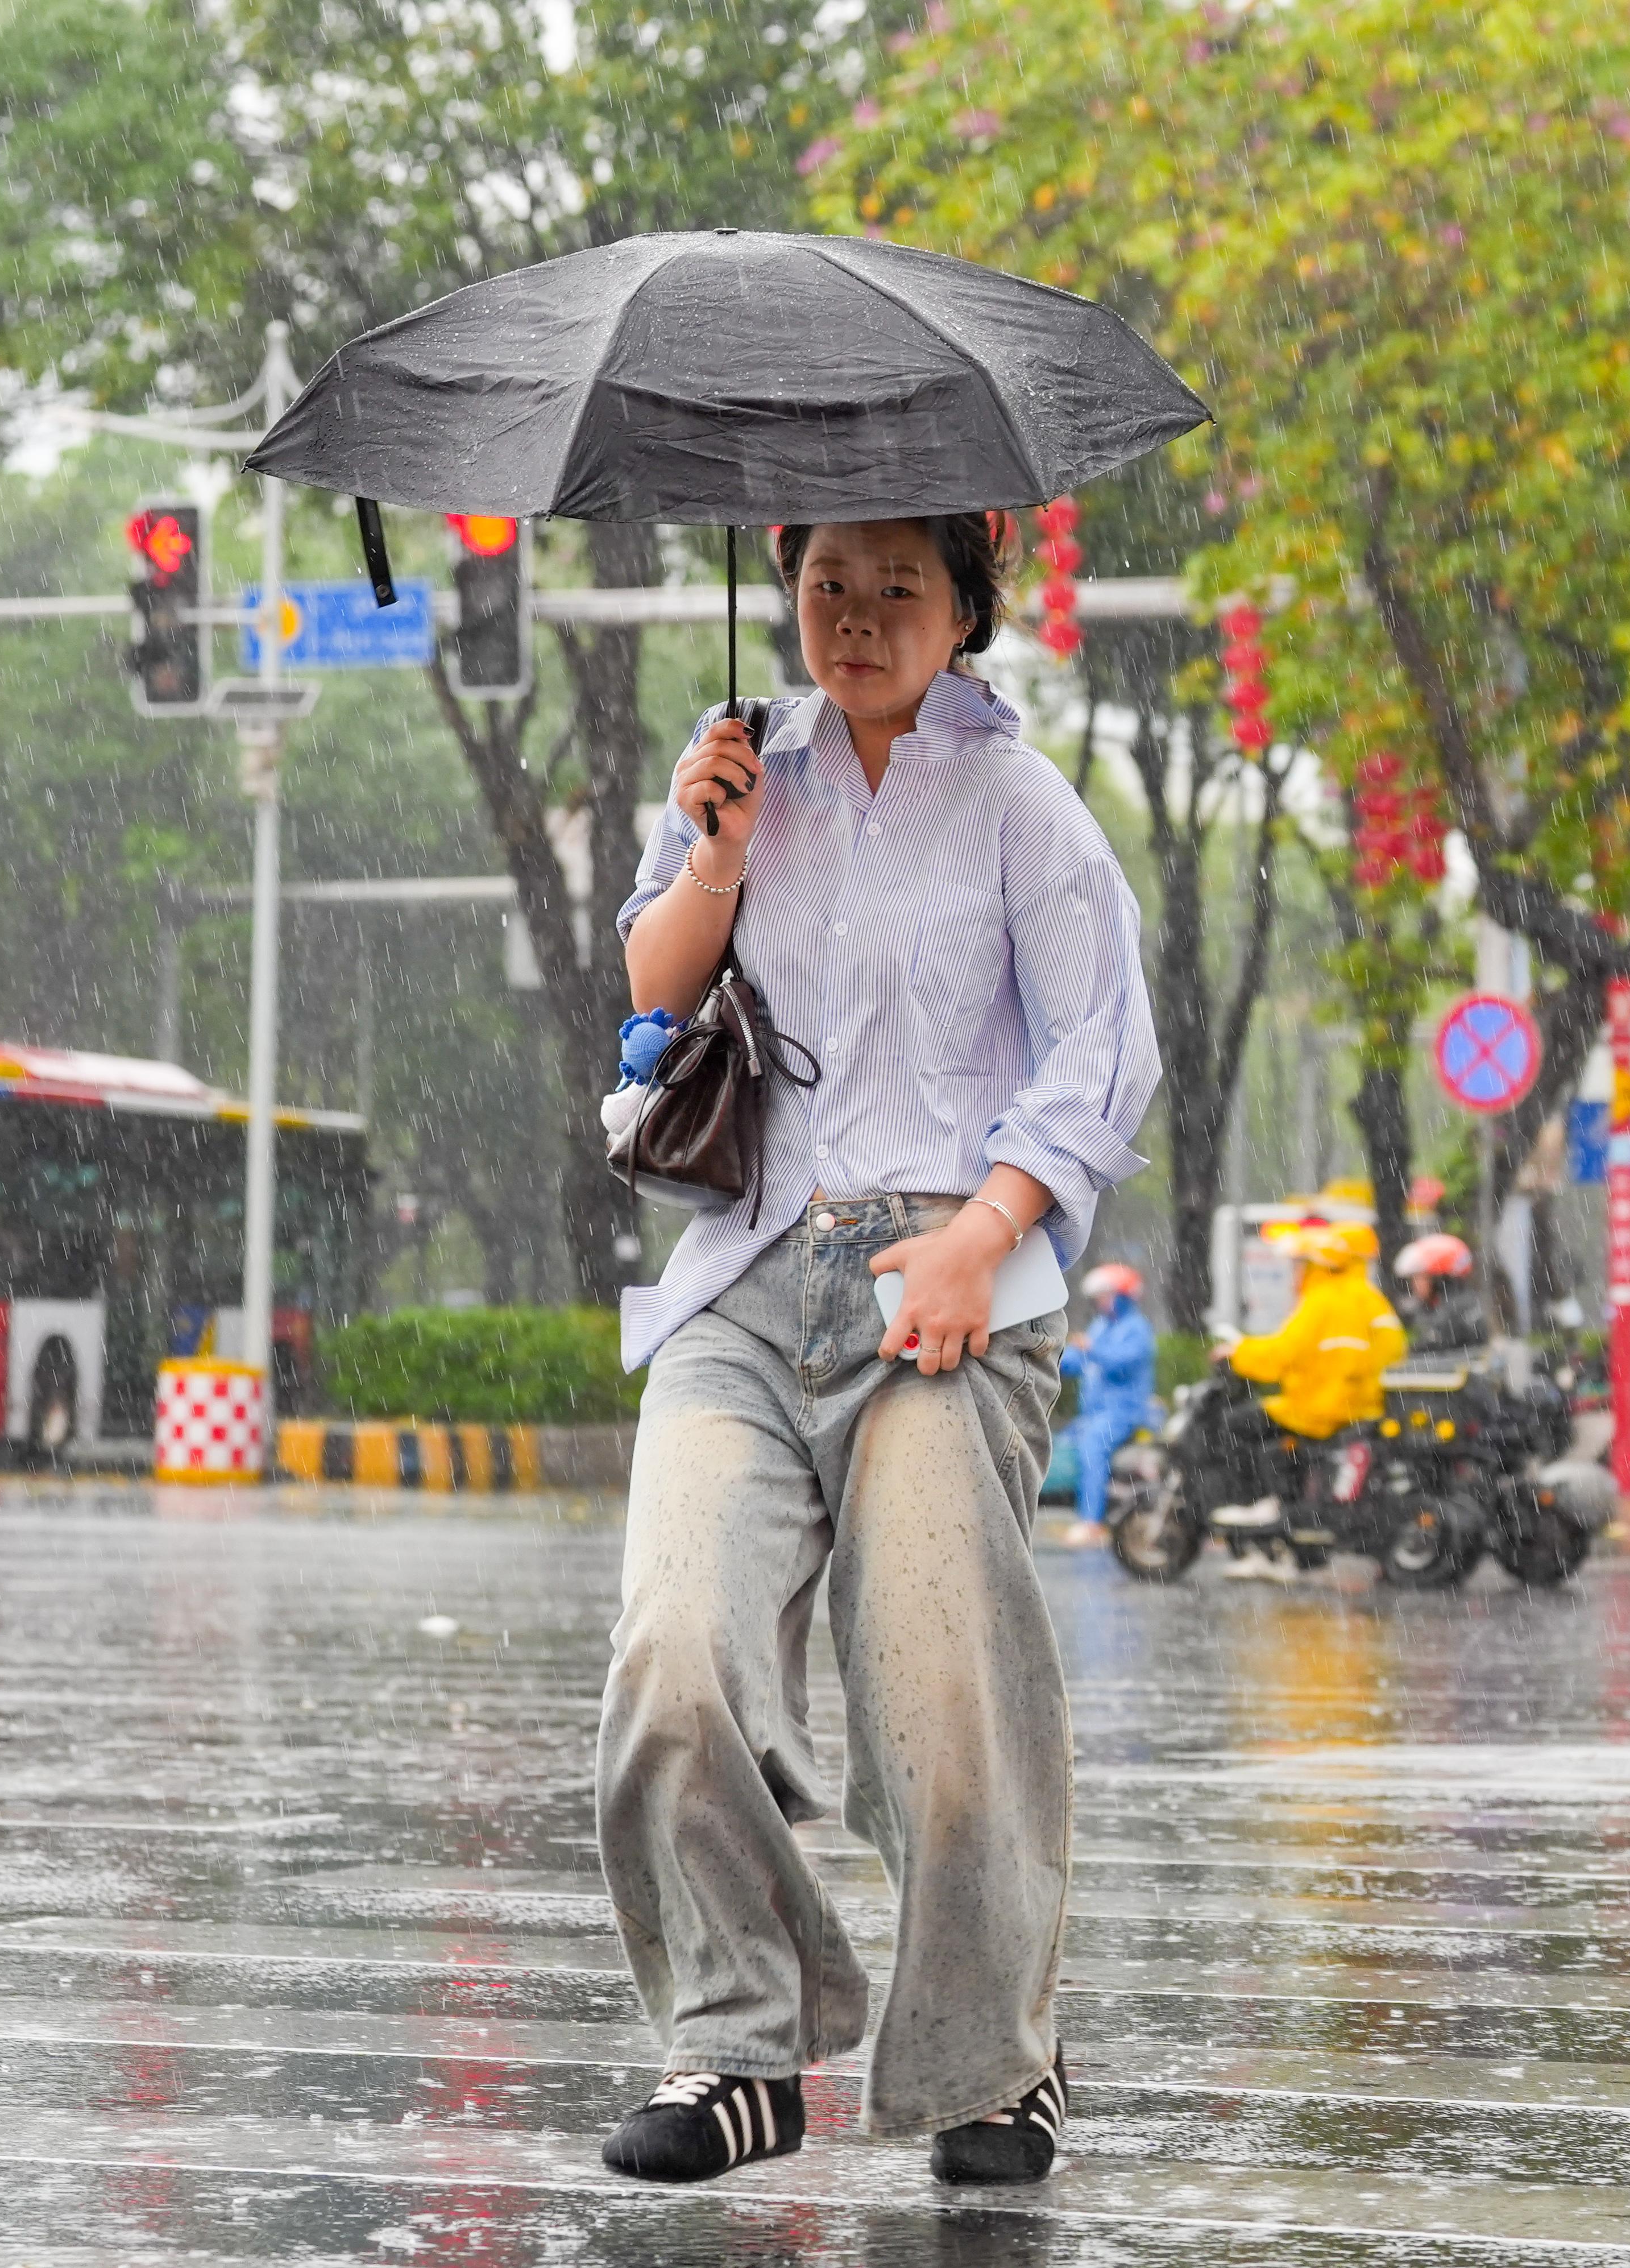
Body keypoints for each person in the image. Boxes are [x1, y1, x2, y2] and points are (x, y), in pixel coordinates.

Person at [594, 515, 1159, 2188]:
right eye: (826, 582)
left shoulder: (1018, 804)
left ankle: (991, 2064)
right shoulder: (741, 760)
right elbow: (649, 992)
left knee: (935, 1680)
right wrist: (710, 851)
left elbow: (1100, 1055)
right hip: (748, 1277)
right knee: (675, 1649)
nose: (853, 616)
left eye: (895, 587)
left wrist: (987, 1236)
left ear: (961, 611)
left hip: (942, 1280)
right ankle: (732, 2049)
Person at [1221, 1222, 1408, 1440]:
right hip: (1366, 1411)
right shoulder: (1374, 1300)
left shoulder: (1321, 1301)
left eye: (1300, 1265)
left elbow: (1283, 1354)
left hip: (1319, 1412)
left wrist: (1237, 1354)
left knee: (1231, 1427)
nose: (1295, 1273)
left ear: (1316, 1266)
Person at [1057, 1262, 1160, 1547]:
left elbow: (1120, 1363)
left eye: (1107, 1295)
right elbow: (1077, 1360)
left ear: (1124, 1296)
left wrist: (1092, 1350)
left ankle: (1091, 1523)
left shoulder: (1136, 1329)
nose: (1101, 1302)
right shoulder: (1101, 1326)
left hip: (1123, 1414)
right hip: (1094, 1415)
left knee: (1093, 1449)